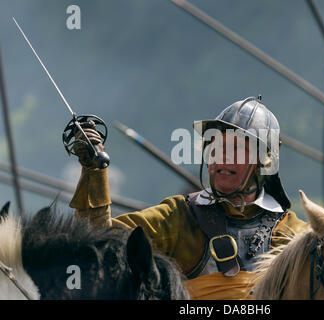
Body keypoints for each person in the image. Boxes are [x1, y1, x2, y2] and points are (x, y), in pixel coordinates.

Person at [69, 96, 307, 299]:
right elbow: (97, 244)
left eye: (237, 148)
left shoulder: (296, 236)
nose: (222, 157)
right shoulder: (178, 216)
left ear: (262, 162)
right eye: (216, 146)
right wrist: (94, 172)